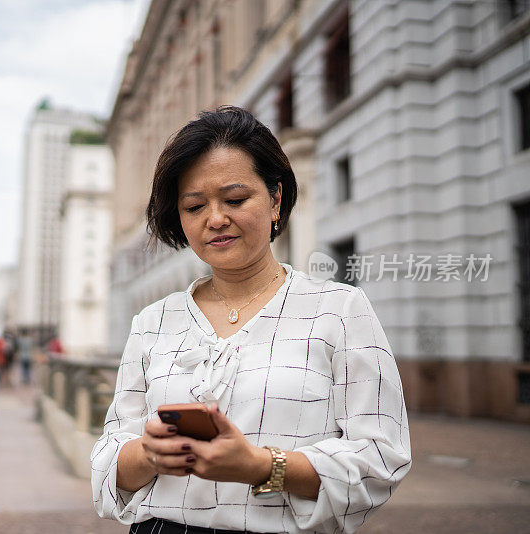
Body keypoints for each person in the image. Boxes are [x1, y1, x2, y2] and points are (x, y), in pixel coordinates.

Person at [91, 107, 411, 534]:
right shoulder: (152, 322)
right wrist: (150, 455)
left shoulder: (340, 309)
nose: (215, 219)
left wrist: (261, 466)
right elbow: (108, 464)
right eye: (194, 206)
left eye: (236, 199)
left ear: (275, 198)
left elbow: (380, 458)